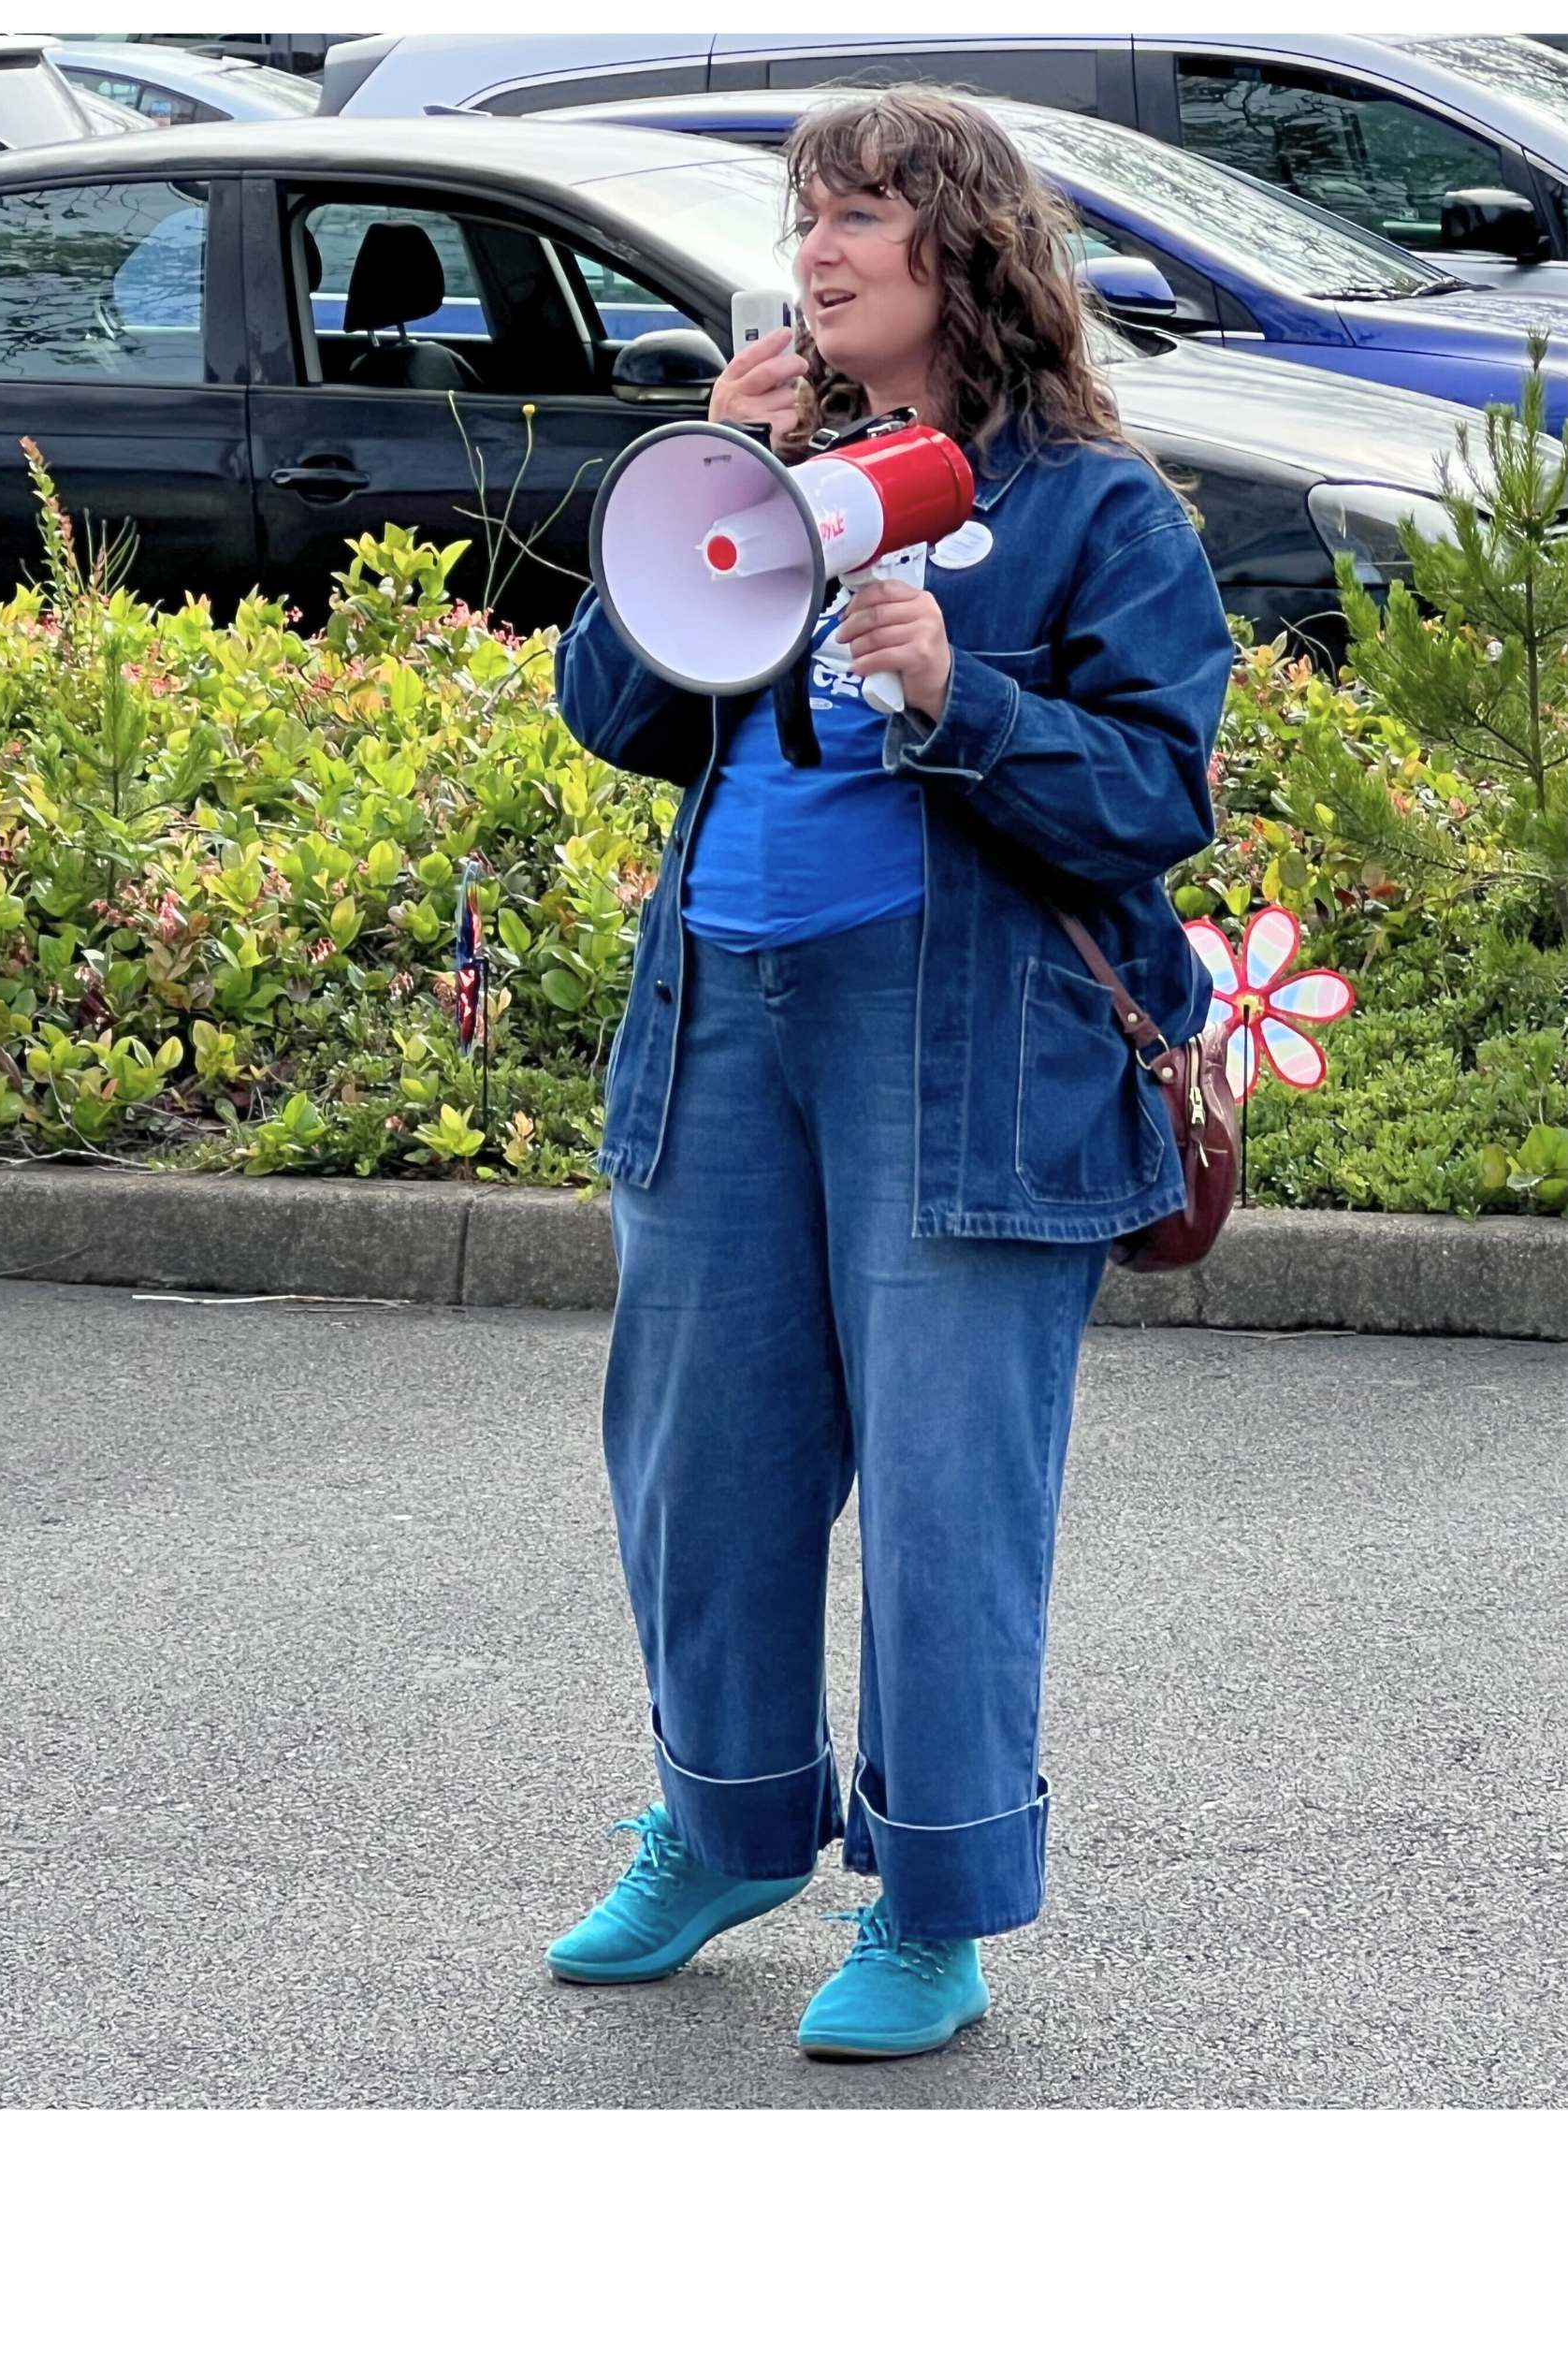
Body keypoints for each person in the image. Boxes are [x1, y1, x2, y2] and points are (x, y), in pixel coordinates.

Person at [545, 85, 1234, 2061]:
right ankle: (728, 1826)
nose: (816, 251)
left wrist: (961, 689)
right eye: (805, 217)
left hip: (968, 1056)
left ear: (964, 250)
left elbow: (1153, 800)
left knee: (946, 1494)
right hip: (728, 1021)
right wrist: (709, 472)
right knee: (702, 1460)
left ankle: (933, 1900)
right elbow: (615, 707)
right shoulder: (779, 466)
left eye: (858, 217)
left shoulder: (1101, 511)